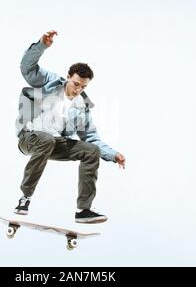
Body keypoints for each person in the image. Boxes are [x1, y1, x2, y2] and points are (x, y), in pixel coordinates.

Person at [14, 30, 126, 224]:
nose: (78, 90)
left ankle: (83, 210)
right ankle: (25, 198)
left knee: (91, 151)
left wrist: (113, 154)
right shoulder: (49, 81)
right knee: (46, 139)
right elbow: (27, 68)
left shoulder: (82, 106)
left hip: (54, 143)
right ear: (68, 77)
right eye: (75, 84)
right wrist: (41, 45)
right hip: (29, 137)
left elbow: (91, 137)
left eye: (83, 87)